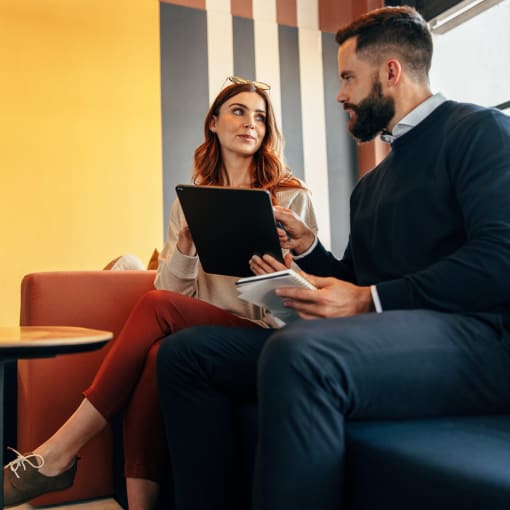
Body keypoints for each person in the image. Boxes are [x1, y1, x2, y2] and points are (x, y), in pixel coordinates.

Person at [156, 6, 510, 510]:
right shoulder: (371, 184)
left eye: (348, 77)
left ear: (390, 72)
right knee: (185, 356)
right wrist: (311, 251)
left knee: (302, 353)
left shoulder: (479, 132)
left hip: (482, 340)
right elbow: (355, 278)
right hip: (395, 335)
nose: (340, 93)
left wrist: (371, 299)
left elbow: (501, 259)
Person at [3, 78, 317, 509]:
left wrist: (282, 269)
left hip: (269, 331)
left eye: (260, 117)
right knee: (154, 356)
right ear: (214, 123)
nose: (250, 123)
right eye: (239, 111)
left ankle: (57, 454)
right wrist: (186, 249)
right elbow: (171, 290)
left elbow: (312, 286)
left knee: (155, 308)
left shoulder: (290, 197)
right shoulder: (188, 203)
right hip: (206, 332)